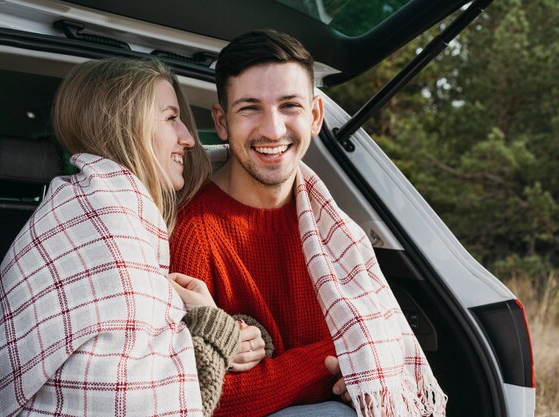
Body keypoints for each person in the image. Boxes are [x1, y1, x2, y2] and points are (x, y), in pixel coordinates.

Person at [170, 30, 447, 417]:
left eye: (289, 106)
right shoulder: (193, 231)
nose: (273, 129)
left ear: (315, 116)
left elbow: (378, 355)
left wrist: (359, 379)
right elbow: (199, 394)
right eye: (250, 107)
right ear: (221, 121)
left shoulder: (337, 232)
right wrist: (336, 357)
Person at [0, 57, 268, 417]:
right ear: (128, 125)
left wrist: (220, 323)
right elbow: (139, 403)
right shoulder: (105, 222)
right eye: (170, 117)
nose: (189, 139)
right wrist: (216, 328)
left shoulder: (94, 208)